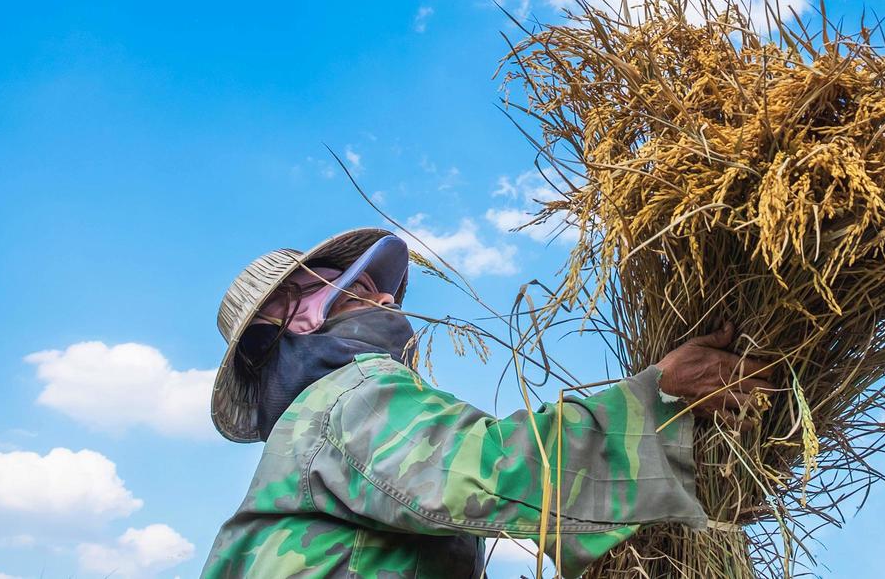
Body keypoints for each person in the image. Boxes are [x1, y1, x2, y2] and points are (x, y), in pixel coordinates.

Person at [201, 228, 774, 579]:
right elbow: (495, 469)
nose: (384, 296)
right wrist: (659, 398)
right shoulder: (350, 394)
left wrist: (680, 509)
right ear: (290, 320)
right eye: (353, 288)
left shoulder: (305, 433)